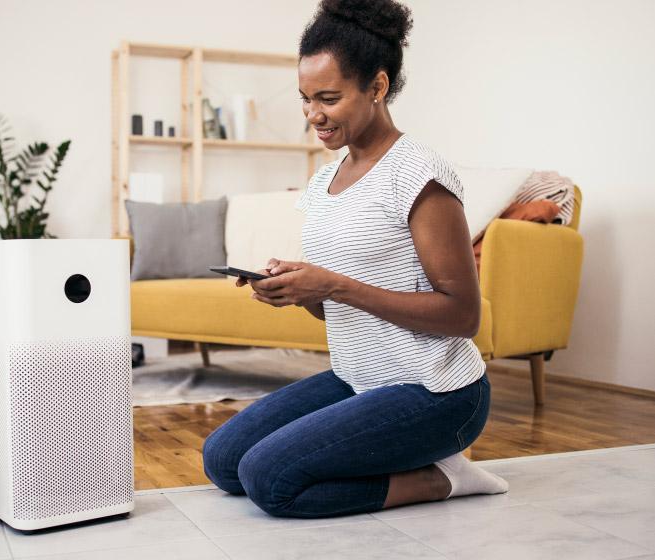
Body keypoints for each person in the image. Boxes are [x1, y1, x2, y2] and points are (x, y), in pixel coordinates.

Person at [201, 0, 509, 518]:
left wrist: (334, 285)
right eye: (304, 99)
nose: (312, 115)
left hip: (437, 392)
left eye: (328, 98)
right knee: (224, 460)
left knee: (268, 480)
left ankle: (443, 477)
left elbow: (463, 315)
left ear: (378, 87)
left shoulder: (420, 176)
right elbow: (336, 306)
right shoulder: (324, 183)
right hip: (359, 378)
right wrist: (297, 292)